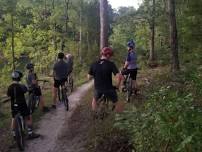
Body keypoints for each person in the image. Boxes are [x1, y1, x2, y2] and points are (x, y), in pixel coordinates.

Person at [88, 47, 124, 113]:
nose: (110, 57)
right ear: (108, 55)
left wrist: (96, 76)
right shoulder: (111, 64)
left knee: (94, 101)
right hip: (109, 89)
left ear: (102, 54)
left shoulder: (94, 64)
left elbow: (89, 77)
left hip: (98, 88)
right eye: (110, 55)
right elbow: (119, 77)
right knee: (117, 103)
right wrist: (118, 86)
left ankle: (95, 114)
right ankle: (121, 117)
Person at [7, 70, 40, 139]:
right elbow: (26, 90)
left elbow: (8, 95)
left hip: (13, 105)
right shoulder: (21, 86)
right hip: (22, 104)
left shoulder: (9, 87)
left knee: (13, 117)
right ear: (19, 78)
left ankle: (14, 134)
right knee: (28, 116)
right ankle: (30, 133)